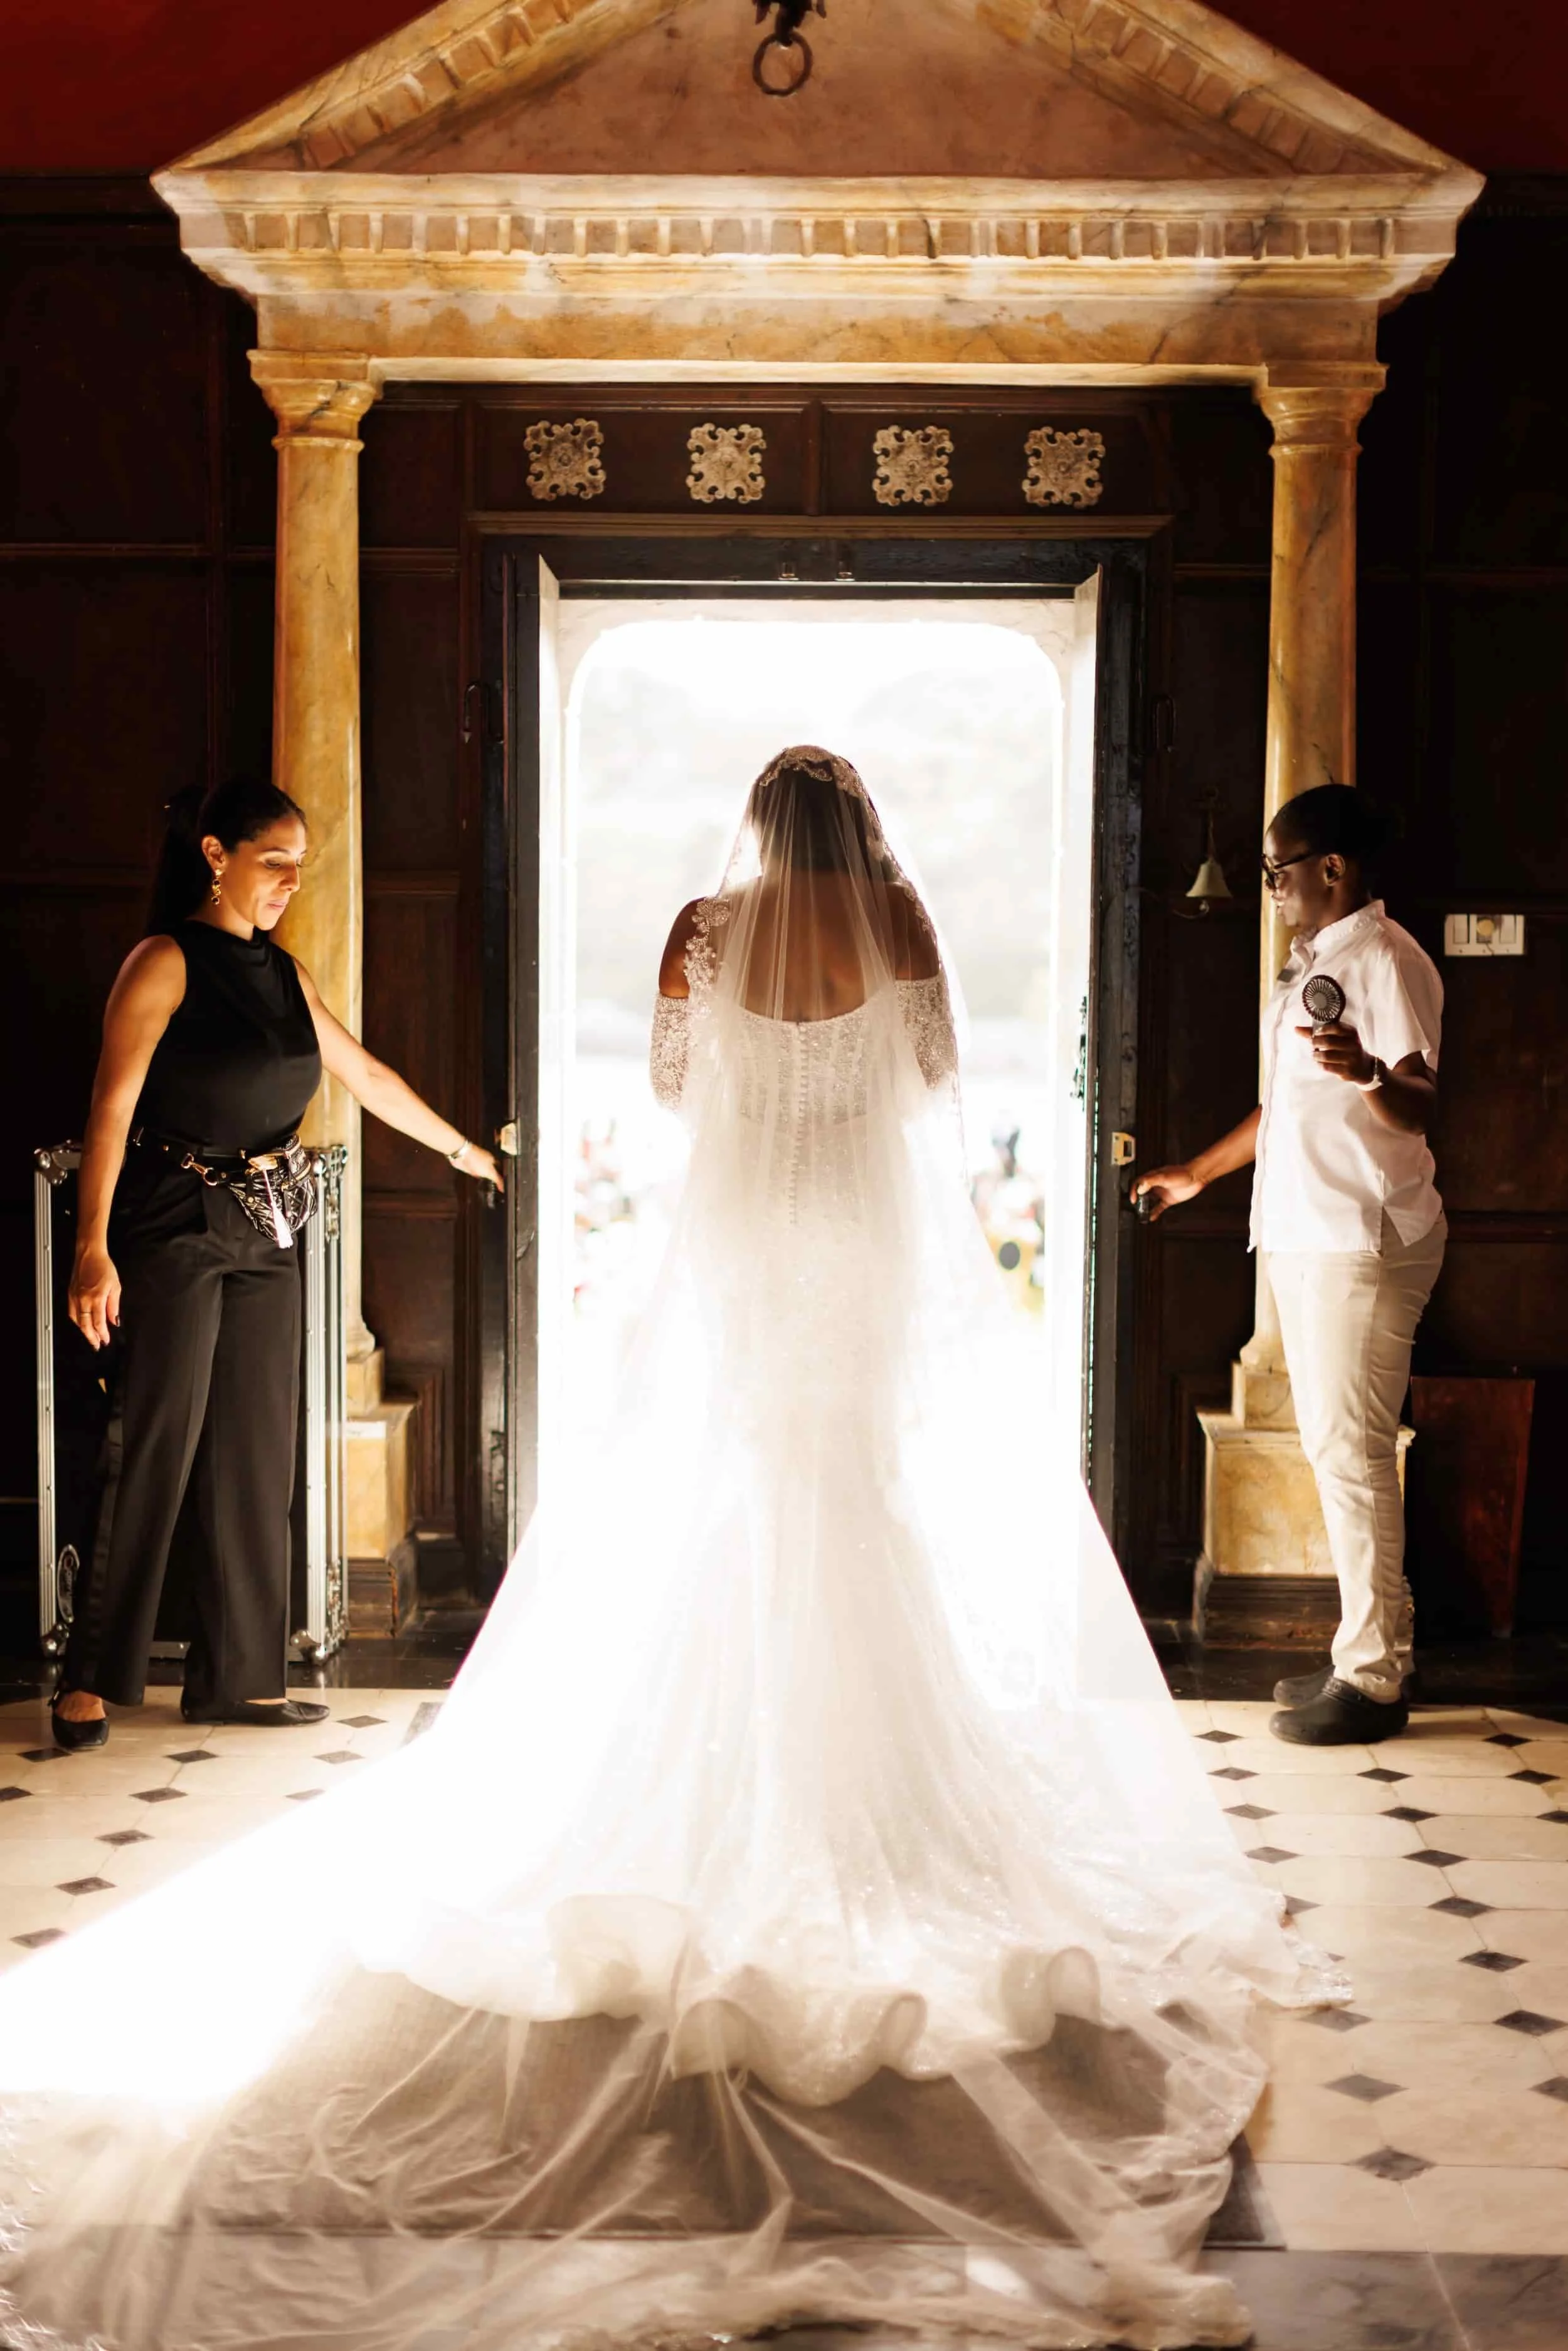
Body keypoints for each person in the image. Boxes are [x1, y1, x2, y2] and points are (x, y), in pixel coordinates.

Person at [0, 751, 1337, 2351]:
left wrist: (760, 1073)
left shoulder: (704, 925)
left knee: (742, 1491)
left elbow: (675, 1094)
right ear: (862, 829)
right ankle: (870, 1786)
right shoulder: (906, 917)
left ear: (754, 835)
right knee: (856, 1494)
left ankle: (725, 1760)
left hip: (748, 1251)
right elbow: (926, 1087)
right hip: (854, 1245)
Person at [52, 775, 501, 1753]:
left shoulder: (286, 975)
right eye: (275, 863)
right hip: (171, 1220)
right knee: (152, 1443)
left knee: (258, 1454)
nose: (292, 883)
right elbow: (111, 1109)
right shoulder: (162, 961)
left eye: (302, 867)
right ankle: (89, 1681)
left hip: (267, 1227)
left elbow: (367, 1075)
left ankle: (240, 1679)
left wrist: (469, 1154)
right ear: (217, 855)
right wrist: (92, 1248)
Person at [1136, 783, 1443, 1748]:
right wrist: (1196, 1173)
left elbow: (1421, 1098)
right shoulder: (1314, 965)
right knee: (1336, 1449)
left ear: (1332, 869)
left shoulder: (1388, 962)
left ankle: (1375, 1679)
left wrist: (1367, 1076)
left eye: (1277, 869)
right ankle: (1366, 1648)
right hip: (1310, 1233)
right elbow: (1287, 1109)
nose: (1270, 885)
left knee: (1352, 1454)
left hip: (1363, 1236)